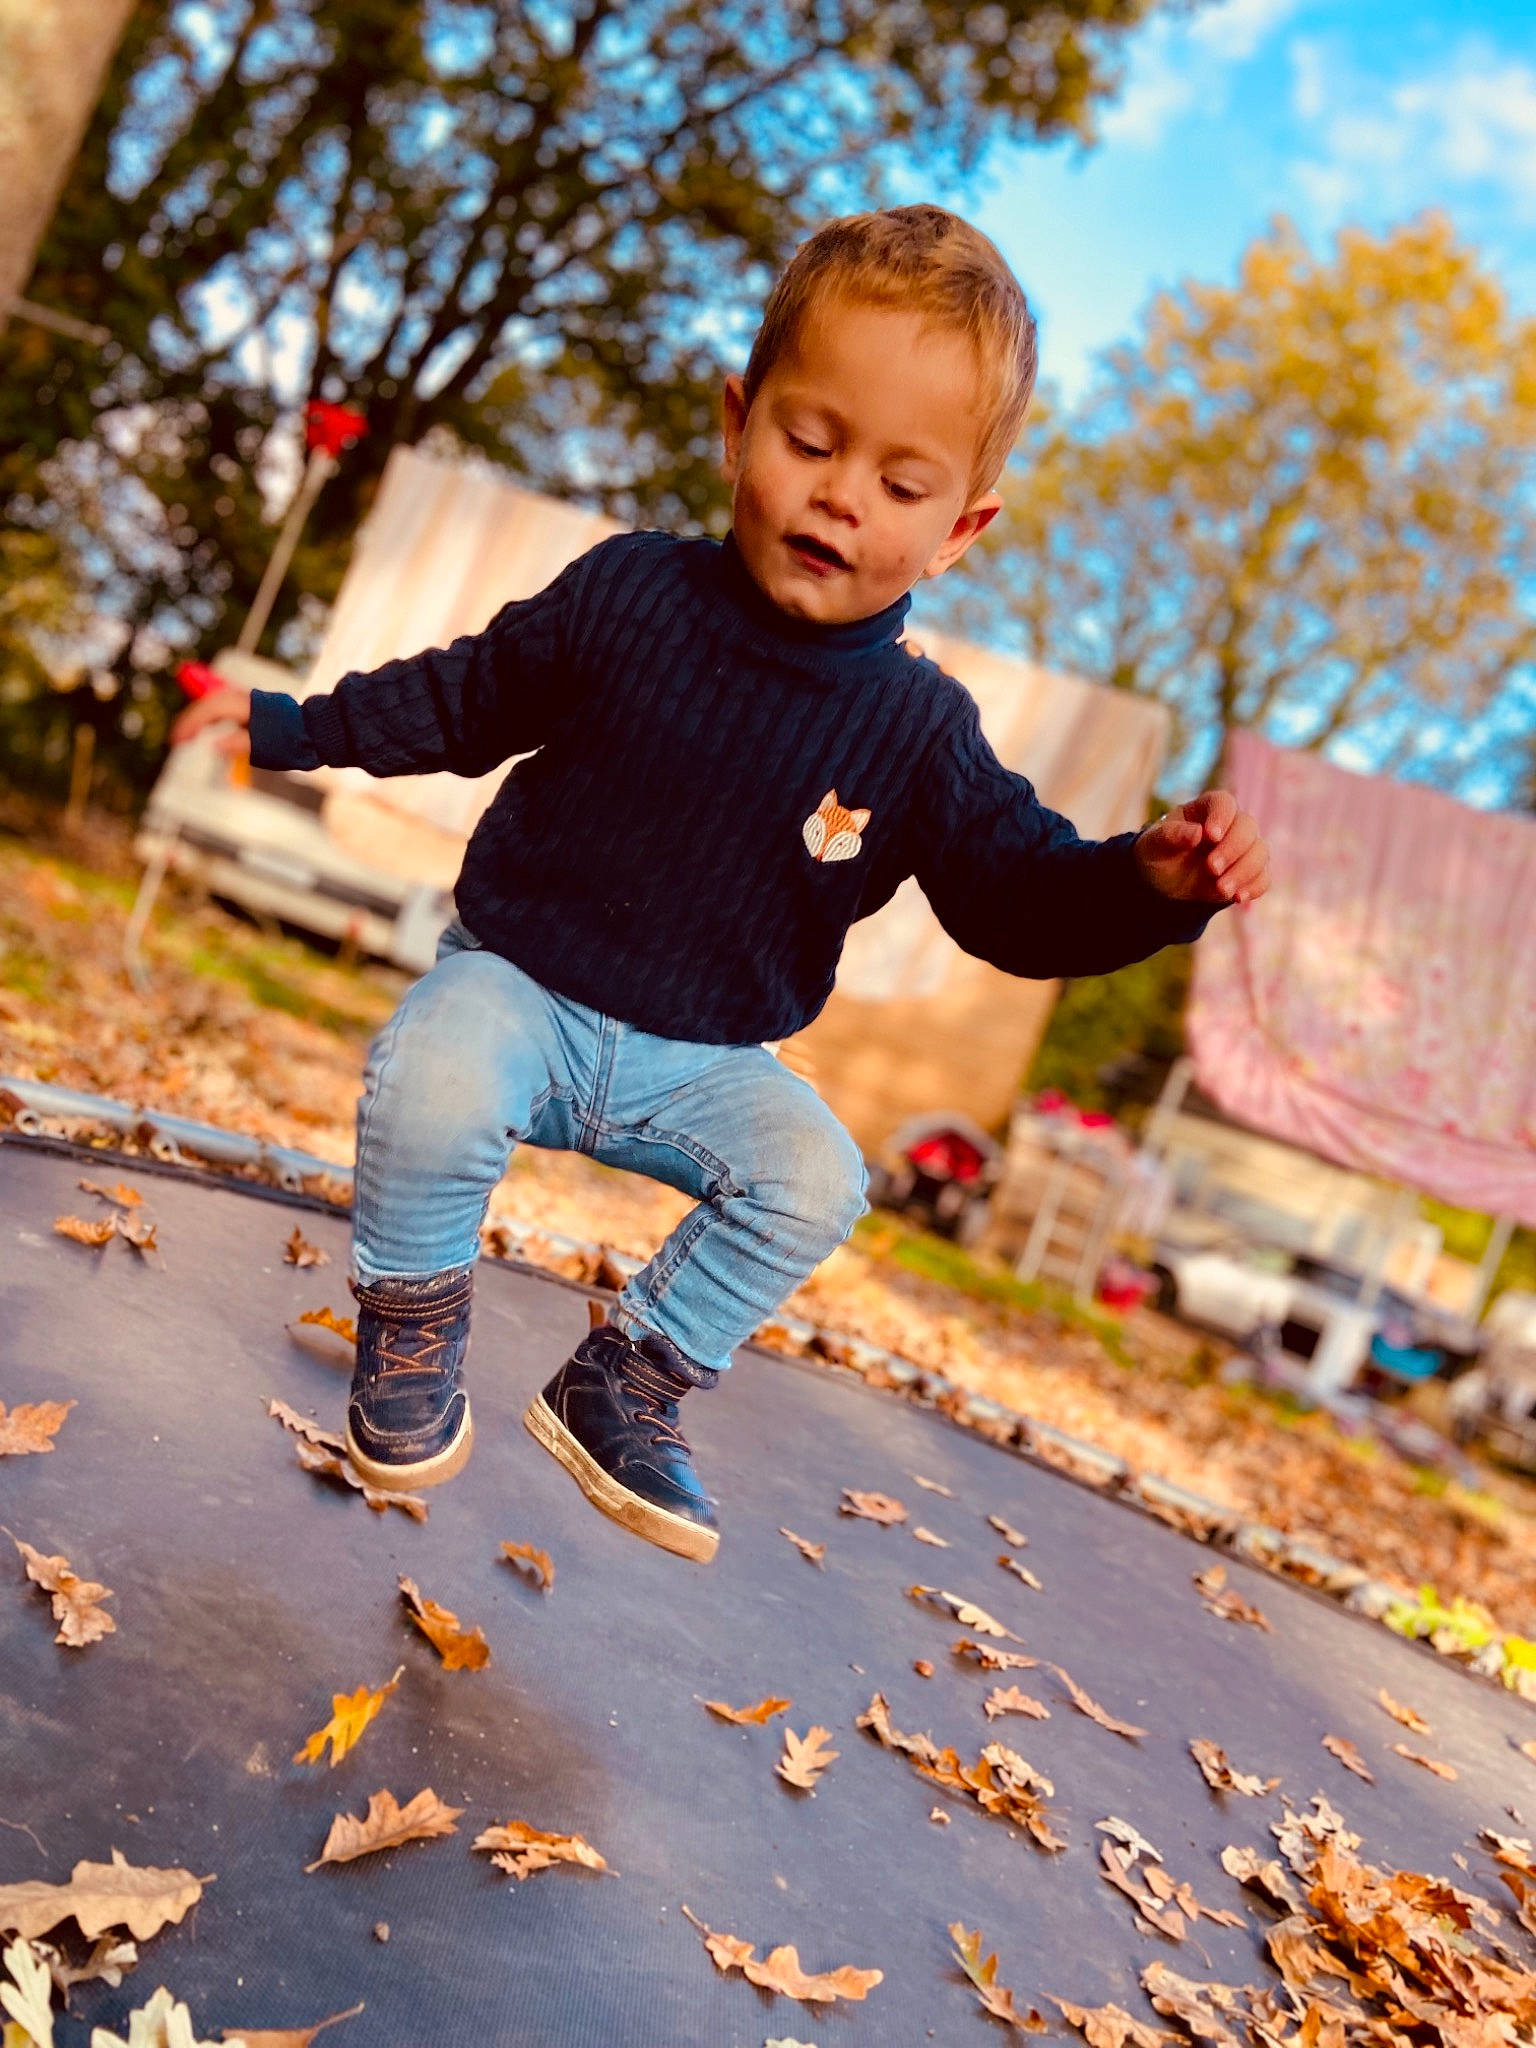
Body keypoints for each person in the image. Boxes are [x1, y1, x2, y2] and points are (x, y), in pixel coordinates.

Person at [173, 205, 1270, 1566]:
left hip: (702, 1064)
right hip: (521, 985)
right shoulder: (630, 595)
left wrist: (1151, 884)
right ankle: (411, 1327)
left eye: (901, 483)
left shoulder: (921, 733)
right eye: (811, 442)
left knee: (817, 1172)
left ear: (961, 531)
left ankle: (625, 1382)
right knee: (436, 1072)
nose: (842, 493)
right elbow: (465, 697)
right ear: (739, 422)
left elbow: (1017, 898)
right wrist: (285, 724)